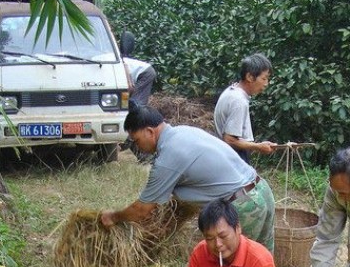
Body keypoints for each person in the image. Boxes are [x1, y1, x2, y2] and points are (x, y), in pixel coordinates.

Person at [100, 103, 276, 252]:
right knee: (263, 260)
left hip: (243, 207)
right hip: (262, 191)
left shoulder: (168, 157)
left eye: (136, 140)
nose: (137, 146)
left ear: (149, 131)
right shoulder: (184, 132)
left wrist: (114, 217)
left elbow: (142, 209)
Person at [213, 53, 279, 163]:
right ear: (249, 77)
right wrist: (258, 147)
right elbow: (230, 140)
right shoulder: (239, 100)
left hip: (226, 156)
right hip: (233, 158)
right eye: (264, 78)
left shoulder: (232, 90)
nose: (266, 84)